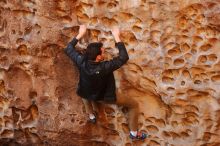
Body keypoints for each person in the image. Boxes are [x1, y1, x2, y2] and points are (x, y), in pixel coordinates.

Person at [64, 25, 147, 140]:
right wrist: (117, 37)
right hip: (103, 96)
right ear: (98, 57)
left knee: (84, 95)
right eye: (102, 52)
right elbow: (123, 57)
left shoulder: (80, 60)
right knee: (134, 105)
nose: (104, 53)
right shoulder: (105, 67)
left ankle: (91, 115)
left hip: (86, 91)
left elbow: (68, 49)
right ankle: (134, 134)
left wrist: (80, 34)